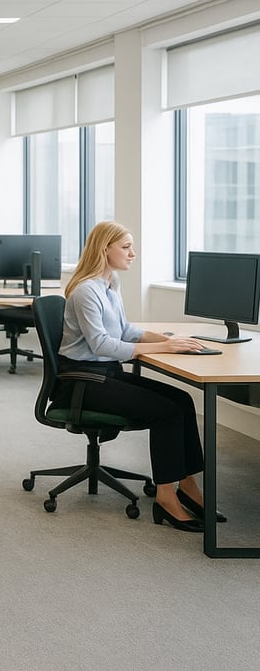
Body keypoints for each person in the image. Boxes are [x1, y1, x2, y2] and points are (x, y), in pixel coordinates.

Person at [58, 221, 219, 533]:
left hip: (106, 373)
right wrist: (164, 346)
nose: (133, 253)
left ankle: (188, 486)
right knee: (166, 413)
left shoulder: (110, 283)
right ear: (104, 249)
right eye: (126, 247)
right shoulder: (85, 290)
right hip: (82, 381)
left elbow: (125, 331)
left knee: (182, 400)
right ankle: (166, 498)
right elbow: (101, 344)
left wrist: (172, 342)